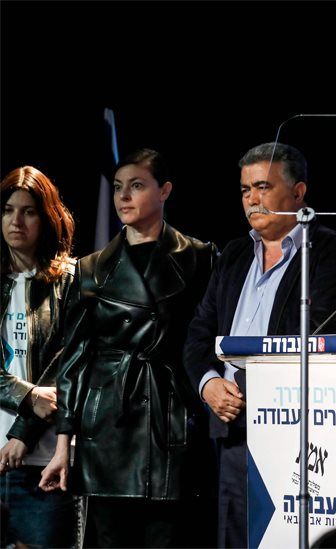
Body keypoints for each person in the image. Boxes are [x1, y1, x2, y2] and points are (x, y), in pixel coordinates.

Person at [183, 142, 336, 548]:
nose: (252, 199)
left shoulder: (331, 254)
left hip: (294, 430)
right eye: (245, 189)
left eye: (263, 186)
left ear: (298, 193)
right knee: (235, 538)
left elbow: (320, 338)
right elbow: (198, 333)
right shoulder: (232, 255)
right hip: (230, 425)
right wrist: (209, 382)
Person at [38, 149, 217, 547]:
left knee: (171, 535)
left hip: (171, 417)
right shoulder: (91, 269)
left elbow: (206, 339)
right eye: (119, 188)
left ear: (165, 190)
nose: (124, 197)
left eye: (137, 186)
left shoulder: (199, 258)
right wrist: (63, 444)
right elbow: (73, 362)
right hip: (109, 428)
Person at [0, 166, 76, 547]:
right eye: (8, 209)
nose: (16, 221)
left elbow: (70, 363)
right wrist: (28, 397)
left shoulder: (69, 282)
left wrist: (24, 435)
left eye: (28, 211)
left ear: (46, 217)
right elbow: (35, 392)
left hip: (44, 463)